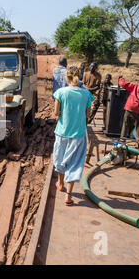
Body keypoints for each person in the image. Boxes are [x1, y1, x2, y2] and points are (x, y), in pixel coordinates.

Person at [53, 67, 94, 206]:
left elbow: (56, 113)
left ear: (67, 77)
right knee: (75, 164)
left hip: (62, 133)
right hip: (78, 134)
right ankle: (68, 196)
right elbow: (88, 114)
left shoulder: (60, 92)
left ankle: (60, 183)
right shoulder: (86, 94)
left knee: (60, 160)